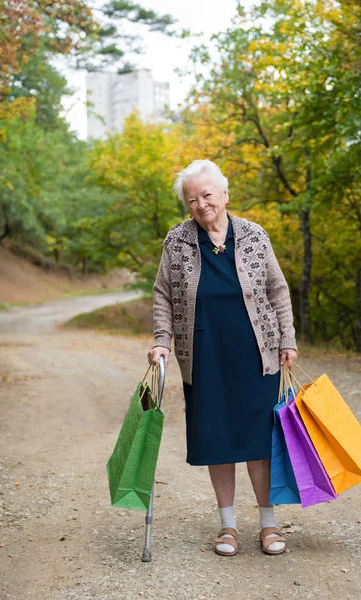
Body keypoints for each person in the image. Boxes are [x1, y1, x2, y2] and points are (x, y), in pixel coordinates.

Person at [148, 159, 297, 556]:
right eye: (191, 199)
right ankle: (228, 526)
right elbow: (162, 293)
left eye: (207, 195)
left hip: (255, 353)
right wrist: (162, 339)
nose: (201, 204)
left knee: (259, 441)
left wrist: (288, 339)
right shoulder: (176, 241)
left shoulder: (253, 235)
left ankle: (269, 524)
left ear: (225, 195)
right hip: (204, 354)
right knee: (218, 440)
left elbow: (278, 290)